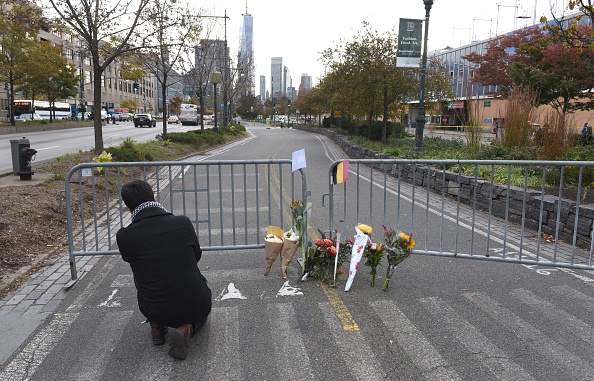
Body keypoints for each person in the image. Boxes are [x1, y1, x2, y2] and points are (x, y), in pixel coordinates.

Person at [116, 180, 212, 360]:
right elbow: (196, 256)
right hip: (194, 302)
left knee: (145, 274)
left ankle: (157, 327)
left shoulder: (124, 236)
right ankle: (188, 327)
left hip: (153, 307)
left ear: (129, 208)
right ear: (154, 198)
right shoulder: (182, 223)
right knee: (201, 291)